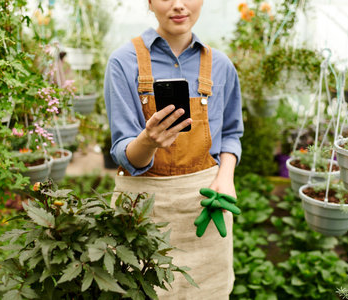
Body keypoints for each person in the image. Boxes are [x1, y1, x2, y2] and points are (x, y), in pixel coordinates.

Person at [104, 0, 243, 298]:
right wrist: (149, 141)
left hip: (205, 209)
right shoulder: (123, 62)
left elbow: (231, 133)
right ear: (150, 3)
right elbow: (124, 154)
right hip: (143, 213)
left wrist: (226, 177)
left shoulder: (221, 65)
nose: (179, 6)